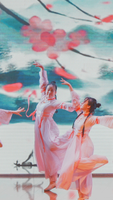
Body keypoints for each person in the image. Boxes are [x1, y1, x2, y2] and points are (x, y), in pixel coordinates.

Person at [57, 97, 113, 200]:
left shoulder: (91, 118)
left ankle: (98, 161)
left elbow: (101, 118)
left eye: (84, 102)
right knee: (77, 169)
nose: (81, 102)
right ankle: (81, 197)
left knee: (80, 166)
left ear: (88, 106)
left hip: (84, 144)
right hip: (75, 143)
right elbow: (74, 104)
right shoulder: (80, 114)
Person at [32, 63, 81, 192]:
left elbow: (72, 107)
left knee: (50, 150)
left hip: (47, 128)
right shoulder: (43, 97)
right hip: (38, 128)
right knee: (44, 152)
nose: (49, 92)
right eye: (48, 90)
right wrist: (42, 70)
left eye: (52, 91)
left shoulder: (55, 102)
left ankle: (55, 178)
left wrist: (71, 89)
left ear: (55, 92)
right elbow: (43, 83)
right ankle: (52, 180)